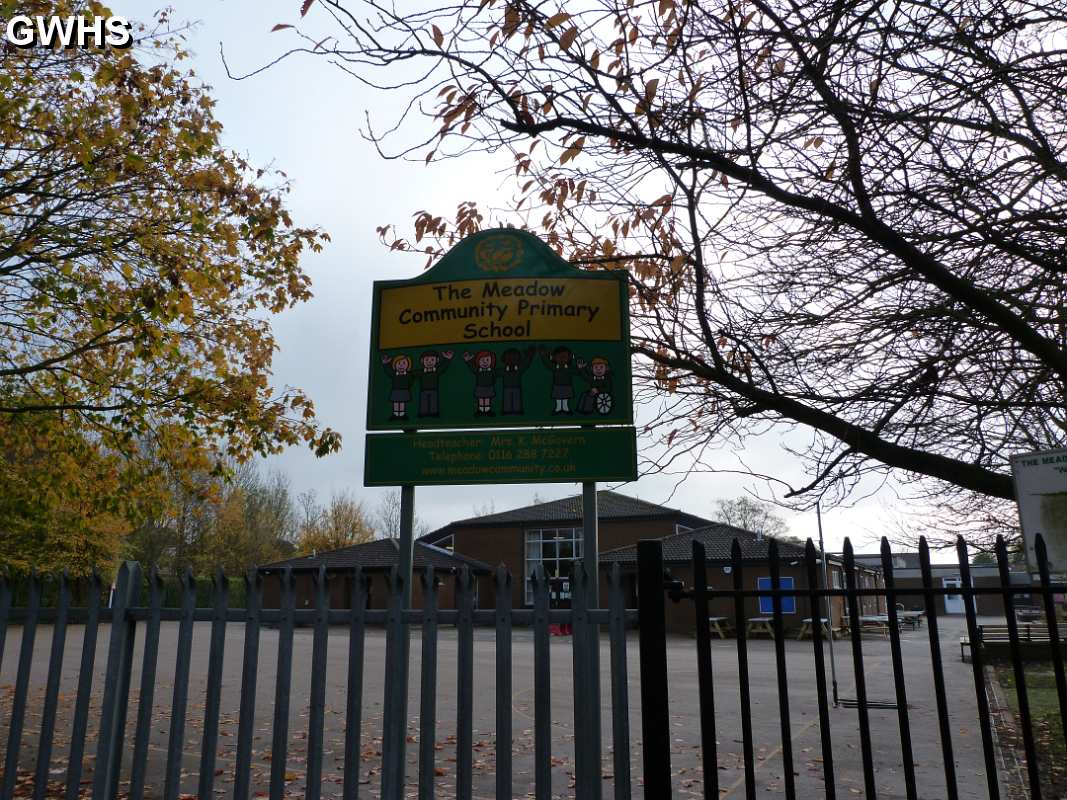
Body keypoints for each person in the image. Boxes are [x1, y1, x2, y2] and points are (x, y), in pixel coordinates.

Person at [413, 349, 453, 417]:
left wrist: (447, 359)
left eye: (432, 360)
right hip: (424, 390)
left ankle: (434, 413)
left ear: (436, 360)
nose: (429, 362)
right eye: (427, 360)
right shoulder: (421, 372)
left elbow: (443, 367)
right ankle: (423, 413)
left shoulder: (436, 371)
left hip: (434, 389)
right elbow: (412, 374)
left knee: (433, 402)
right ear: (422, 361)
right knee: (424, 402)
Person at [540, 345, 580, 414]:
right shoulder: (555, 367)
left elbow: (577, 372)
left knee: (565, 398)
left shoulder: (569, 368)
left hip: (567, 385)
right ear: (554, 358)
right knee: (558, 398)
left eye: (564, 357)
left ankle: (565, 408)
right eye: (559, 357)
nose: (562, 359)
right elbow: (547, 364)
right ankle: (558, 408)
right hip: (557, 385)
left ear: (569, 358)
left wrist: (580, 367)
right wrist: (543, 356)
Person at [499, 346, 536, 415]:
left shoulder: (519, 369)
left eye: (514, 358)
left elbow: (526, 364)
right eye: (509, 358)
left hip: (516, 387)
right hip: (507, 388)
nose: (511, 361)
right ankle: (506, 410)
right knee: (507, 399)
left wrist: (529, 356)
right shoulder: (503, 370)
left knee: (516, 400)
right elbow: (495, 373)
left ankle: (517, 410)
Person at [463, 350, 498, 416]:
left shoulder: (492, 371)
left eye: (487, 360)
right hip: (480, 387)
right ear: (478, 361)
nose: (485, 362)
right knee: (481, 399)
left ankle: (487, 410)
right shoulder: (478, 371)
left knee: (487, 399)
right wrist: (468, 360)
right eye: (482, 360)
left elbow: (498, 374)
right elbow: (472, 368)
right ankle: (481, 410)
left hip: (489, 387)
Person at [381, 353, 413, 420]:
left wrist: (407, 387)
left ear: (408, 365)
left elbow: (411, 381)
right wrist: (385, 363)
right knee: (396, 402)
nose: (401, 365)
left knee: (402, 403)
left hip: (404, 390)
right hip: (395, 390)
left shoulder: (408, 375)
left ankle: (402, 414)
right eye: (399, 363)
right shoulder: (394, 374)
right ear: (395, 365)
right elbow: (388, 371)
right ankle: (395, 414)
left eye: (404, 363)